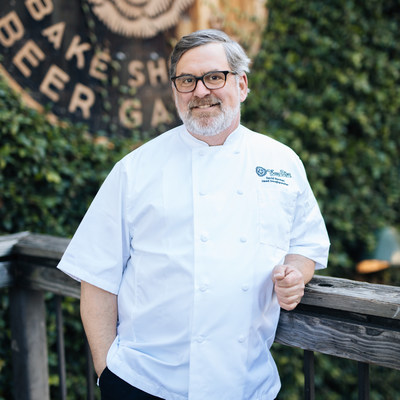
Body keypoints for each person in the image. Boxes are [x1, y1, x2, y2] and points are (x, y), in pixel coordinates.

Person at [57, 29, 330, 400]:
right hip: (144, 382)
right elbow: (97, 277)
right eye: (187, 80)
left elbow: (306, 242)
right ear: (175, 91)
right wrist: (108, 375)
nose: (200, 91)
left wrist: (295, 273)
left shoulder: (281, 162)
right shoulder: (135, 169)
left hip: (247, 384)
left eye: (214, 77)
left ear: (242, 84)